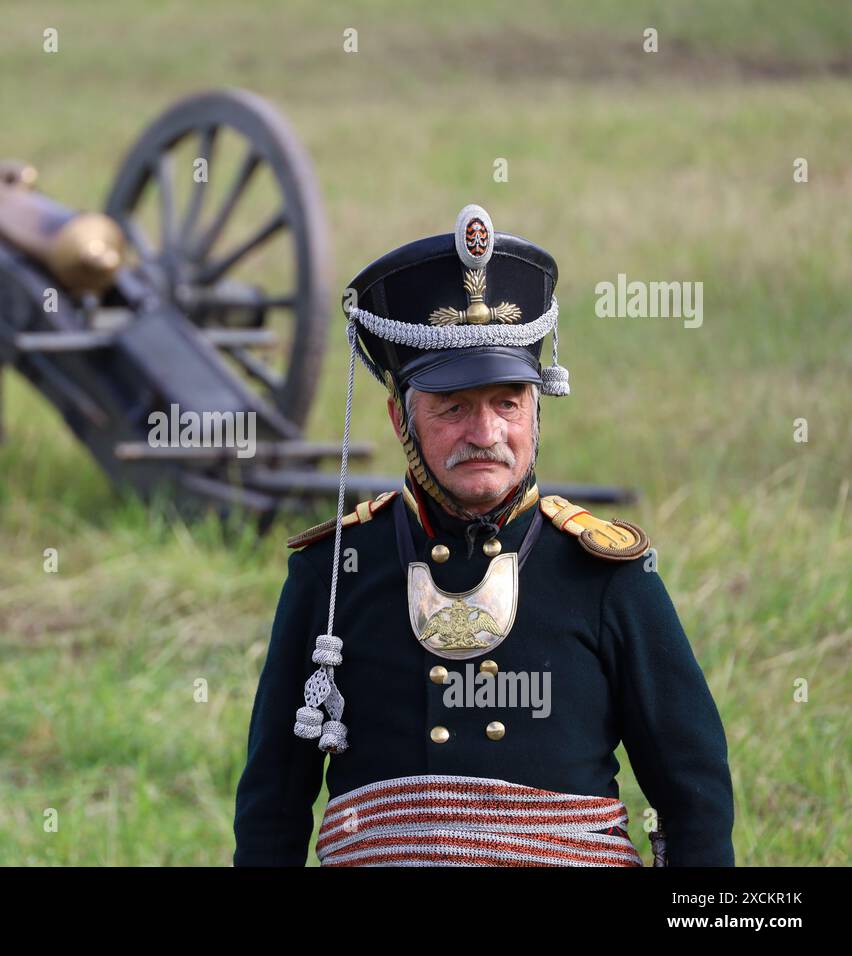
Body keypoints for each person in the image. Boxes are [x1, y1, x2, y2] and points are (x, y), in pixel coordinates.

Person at [232, 205, 734, 867]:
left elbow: (693, 792)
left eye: (508, 403)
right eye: (453, 408)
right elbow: (273, 809)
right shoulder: (333, 572)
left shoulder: (608, 574)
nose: (487, 434)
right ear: (398, 418)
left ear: (535, 406)